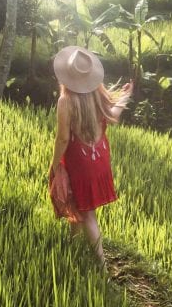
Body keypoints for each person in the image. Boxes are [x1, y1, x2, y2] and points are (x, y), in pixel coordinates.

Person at [49, 45, 133, 265]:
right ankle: (72, 245)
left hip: (80, 162)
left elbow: (63, 139)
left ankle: (102, 265)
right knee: (75, 201)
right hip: (100, 158)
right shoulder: (98, 94)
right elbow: (113, 116)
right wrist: (125, 96)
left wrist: (54, 164)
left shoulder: (65, 101)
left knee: (88, 213)